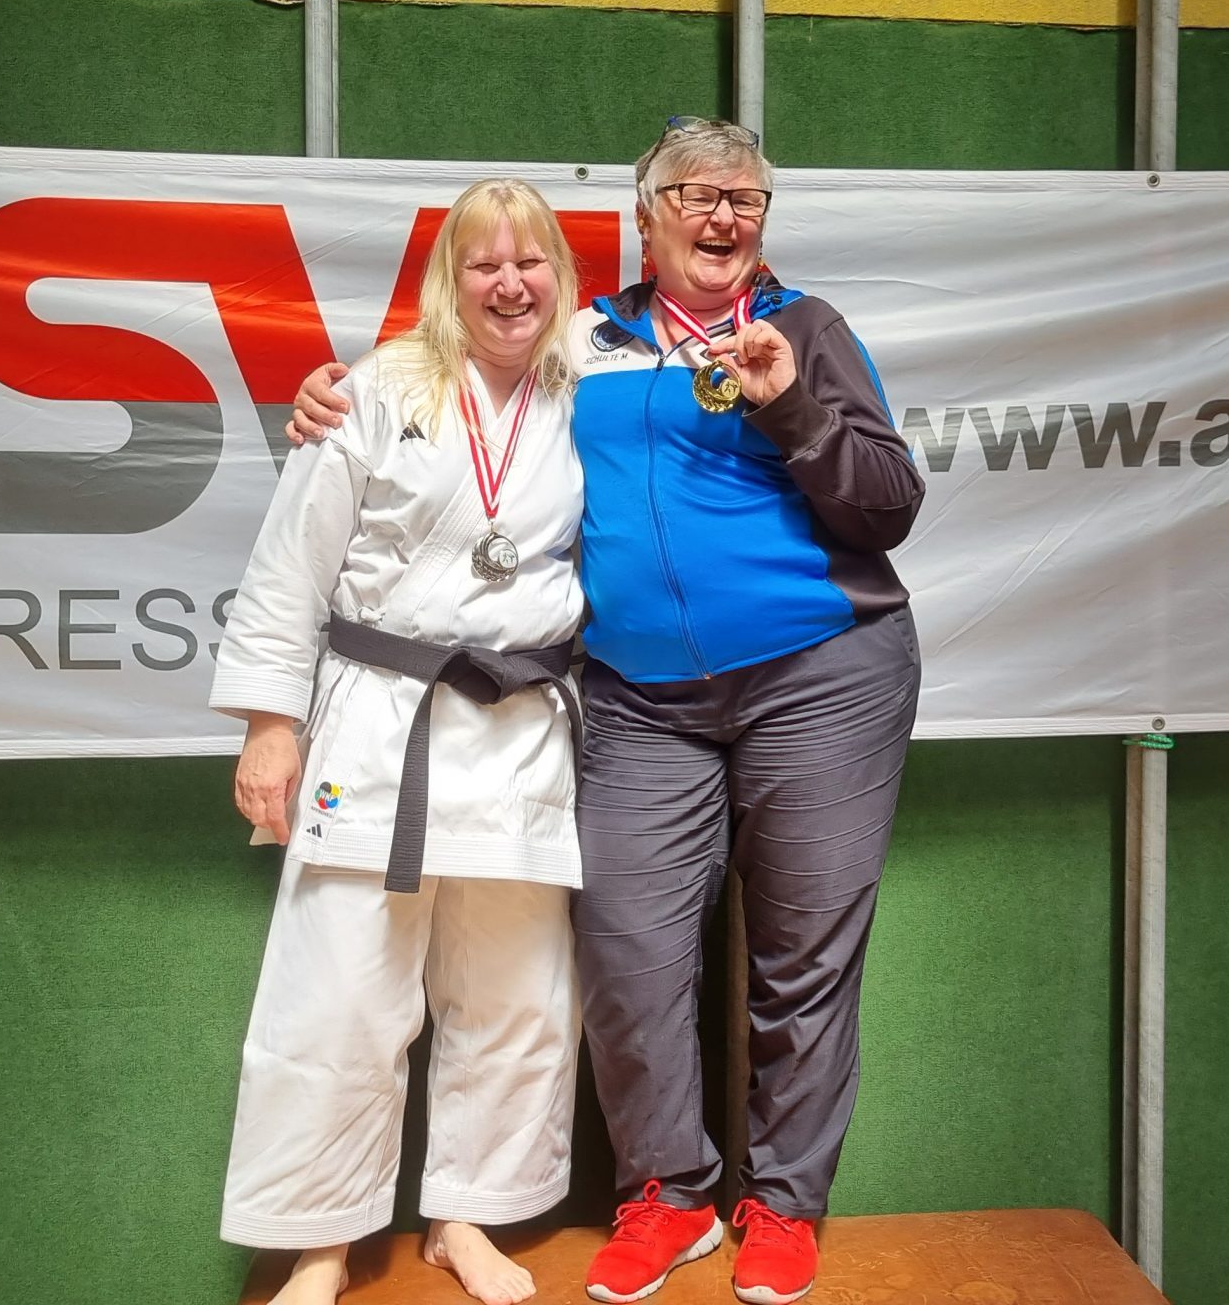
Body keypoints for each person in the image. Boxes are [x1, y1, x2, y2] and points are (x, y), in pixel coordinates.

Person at [288, 118, 925, 1305]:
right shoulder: (581, 340)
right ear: (646, 215)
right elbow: (460, 372)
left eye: (745, 198)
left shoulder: (807, 329)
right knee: (627, 954)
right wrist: (339, 394)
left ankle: (783, 1205)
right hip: (640, 699)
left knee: (801, 959)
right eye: (695, 194)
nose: (722, 215)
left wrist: (792, 409)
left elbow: (888, 506)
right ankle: (668, 1196)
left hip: (820, 677)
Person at [213, 178, 591, 1305]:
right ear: (448, 281)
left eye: (529, 261)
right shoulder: (375, 388)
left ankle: (464, 1216)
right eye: (484, 264)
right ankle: (320, 1243)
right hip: (384, 723)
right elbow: (291, 565)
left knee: (516, 997)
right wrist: (270, 728)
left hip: (522, 732)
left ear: (561, 278)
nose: (510, 284)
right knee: (337, 992)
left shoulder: (592, 387)